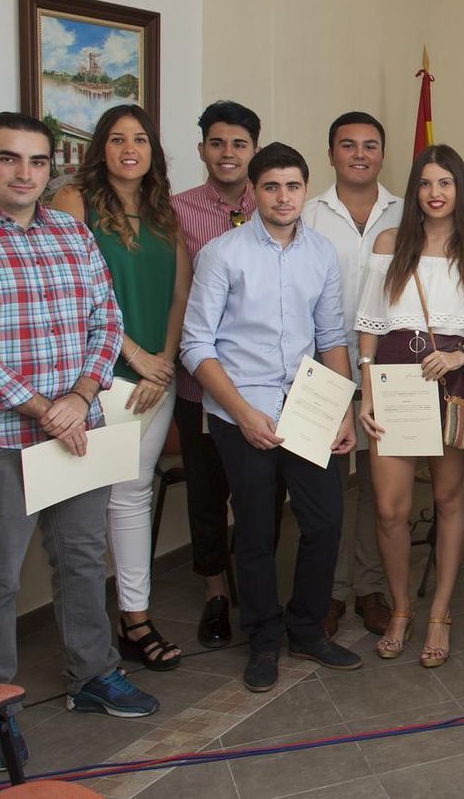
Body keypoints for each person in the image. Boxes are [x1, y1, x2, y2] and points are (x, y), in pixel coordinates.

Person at [0, 113, 159, 770]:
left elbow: (107, 318)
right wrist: (44, 408)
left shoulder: (71, 232)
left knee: (81, 557)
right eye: (9, 159)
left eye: (38, 161)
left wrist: (78, 399)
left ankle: (92, 676)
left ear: (53, 168)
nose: (25, 173)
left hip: (77, 429)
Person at [180, 143, 363, 692]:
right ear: (253, 192)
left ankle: (306, 629)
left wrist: (343, 411)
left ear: (306, 191)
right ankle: (262, 638)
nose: (283, 198)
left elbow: (332, 338)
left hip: (309, 405)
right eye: (271, 187)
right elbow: (195, 345)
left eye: (293, 186)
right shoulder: (222, 253)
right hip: (245, 411)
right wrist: (241, 413)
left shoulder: (321, 253)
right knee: (256, 530)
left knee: (324, 520)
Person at [51, 104, 191, 673]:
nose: (128, 148)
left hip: (156, 379)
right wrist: (134, 356)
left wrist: (164, 360)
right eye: (116, 139)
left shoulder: (165, 212)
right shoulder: (72, 203)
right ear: (100, 149)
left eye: (139, 139)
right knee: (84, 512)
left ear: (153, 149)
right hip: (98, 377)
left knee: (133, 496)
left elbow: (181, 293)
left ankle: (135, 617)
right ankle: (84, 647)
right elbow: (73, 295)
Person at [356, 144, 464, 667]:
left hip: (451, 382)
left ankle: (438, 610)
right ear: (414, 191)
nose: (435, 194)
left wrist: (458, 355)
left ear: (459, 190)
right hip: (393, 380)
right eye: (426, 183)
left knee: (448, 499)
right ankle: (398, 608)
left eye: (445, 183)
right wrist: (364, 391)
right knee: (390, 507)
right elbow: (367, 325)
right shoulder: (391, 243)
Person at [300, 112, 403, 638]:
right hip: (323, 369)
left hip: (391, 371)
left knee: (379, 488)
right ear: (331, 153)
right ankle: (331, 591)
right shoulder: (309, 212)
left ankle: (370, 588)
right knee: (333, 484)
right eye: (348, 145)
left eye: (370, 145)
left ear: (382, 154)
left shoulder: (406, 212)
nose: (359, 154)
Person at [170, 99, 260, 649]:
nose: (228, 154)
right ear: (202, 147)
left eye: (239, 144)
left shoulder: (275, 200)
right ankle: (214, 594)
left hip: (261, 384)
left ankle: (254, 584)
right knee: (206, 495)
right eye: (217, 143)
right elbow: (178, 296)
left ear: (253, 148)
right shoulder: (177, 210)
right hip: (198, 378)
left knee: (260, 495)